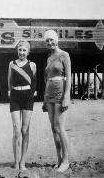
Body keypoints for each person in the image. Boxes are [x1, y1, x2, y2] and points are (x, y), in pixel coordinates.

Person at [43, 30, 71, 172]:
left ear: (56, 40)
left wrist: (67, 96)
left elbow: (68, 77)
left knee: (60, 128)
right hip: (49, 94)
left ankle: (66, 160)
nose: (49, 43)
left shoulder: (64, 55)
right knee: (54, 129)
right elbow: (47, 78)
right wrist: (44, 99)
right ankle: (59, 159)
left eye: (51, 40)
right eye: (47, 41)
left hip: (60, 93)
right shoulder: (49, 58)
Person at [8, 40, 36, 170]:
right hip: (14, 97)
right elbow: (9, 81)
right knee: (16, 131)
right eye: (20, 50)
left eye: (24, 50)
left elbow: (34, 83)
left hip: (27, 98)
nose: (22, 52)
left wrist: (30, 95)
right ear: (17, 51)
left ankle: (23, 162)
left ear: (28, 52)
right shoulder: (11, 64)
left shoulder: (33, 65)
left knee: (25, 130)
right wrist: (12, 92)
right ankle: (15, 161)